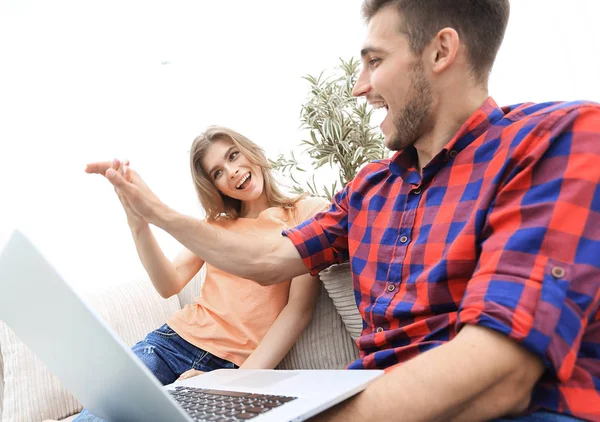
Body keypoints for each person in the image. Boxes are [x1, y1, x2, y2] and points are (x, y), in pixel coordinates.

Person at [87, 0, 600, 420]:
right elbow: (269, 260)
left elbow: (499, 379)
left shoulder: (559, 140)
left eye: (374, 61)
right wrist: (151, 212)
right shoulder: (368, 190)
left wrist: (284, 411)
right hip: (355, 388)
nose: (359, 86)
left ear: (441, 50)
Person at [77, 126, 326, 421]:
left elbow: (298, 310)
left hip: (230, 367)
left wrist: (237, 383)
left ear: (251, 151)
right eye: (218, 173)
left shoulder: (306, 212)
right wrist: (138, 223)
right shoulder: (215, 225)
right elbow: (168, 284)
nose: (232, 172)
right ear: (215, 187)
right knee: (97, 416)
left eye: (233, 156)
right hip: (169, 344)